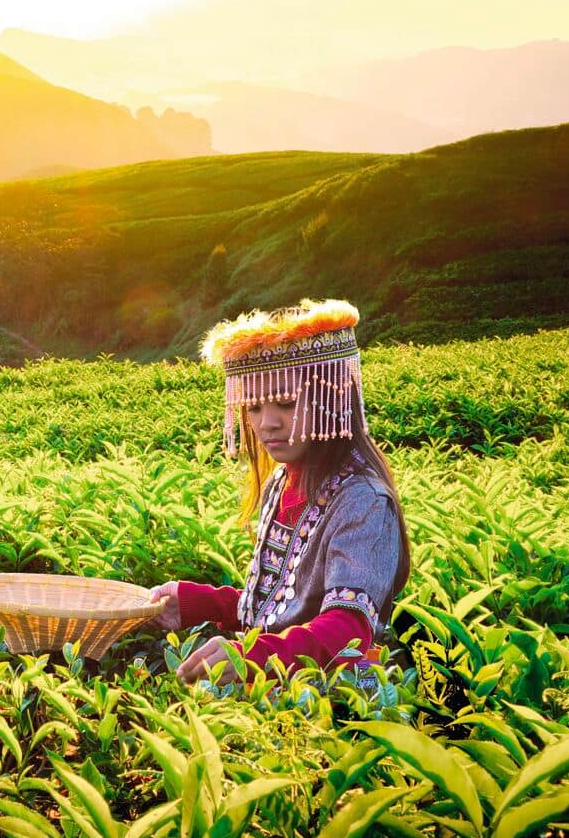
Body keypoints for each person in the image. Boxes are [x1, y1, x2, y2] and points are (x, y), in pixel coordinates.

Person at [147, 298, 411, 699]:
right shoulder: (280, 482)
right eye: (253, 407)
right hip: (275, 685)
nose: (266, 423)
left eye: (286, 403)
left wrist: (247, 657)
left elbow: (348, 628)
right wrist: (197, 602)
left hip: (339, 701)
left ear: (331, 398)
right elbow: (279, 611)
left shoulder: (364, 501)